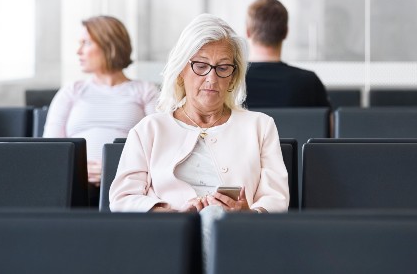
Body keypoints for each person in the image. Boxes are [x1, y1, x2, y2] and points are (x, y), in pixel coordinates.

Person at [110, 13, 289, 214]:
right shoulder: (150, 129)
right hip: (171, 237)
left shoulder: (260, 126)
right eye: (201, 66)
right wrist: (175, 217)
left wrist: (248, 215)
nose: (211, 79)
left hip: (235, 235)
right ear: (180, 72)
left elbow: (276, 199)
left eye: (222, 68)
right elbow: (122, 199)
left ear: (232, 77)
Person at [44, 15, 158, 191]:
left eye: (86, 43)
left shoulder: (145, 91)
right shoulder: (71, 91)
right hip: (74, 182)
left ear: (109, 46)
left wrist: (113, 169)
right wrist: (79, 169)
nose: (78, 51)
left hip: (130, 183)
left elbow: (161, 148)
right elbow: (49, 150)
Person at [245, 0, 331, 108]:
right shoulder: (308, 82)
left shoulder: (230, 81)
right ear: (286, 32)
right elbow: (330, 124)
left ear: (248, 32)